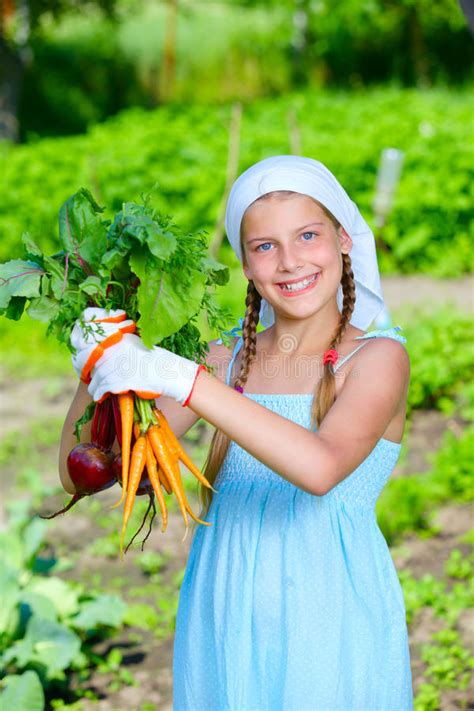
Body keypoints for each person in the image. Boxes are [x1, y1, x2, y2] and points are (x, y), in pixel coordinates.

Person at [59, 156, 413, 710]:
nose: (290, 260)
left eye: (308, 235)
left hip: (329, 613)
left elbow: (319, 469)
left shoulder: (377, 358)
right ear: (245, 264)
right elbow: (91, 471)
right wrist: (98, 363)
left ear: (344, 239)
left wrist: (182, 378)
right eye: (264, 245)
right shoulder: (225, 362)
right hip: (224, 608)